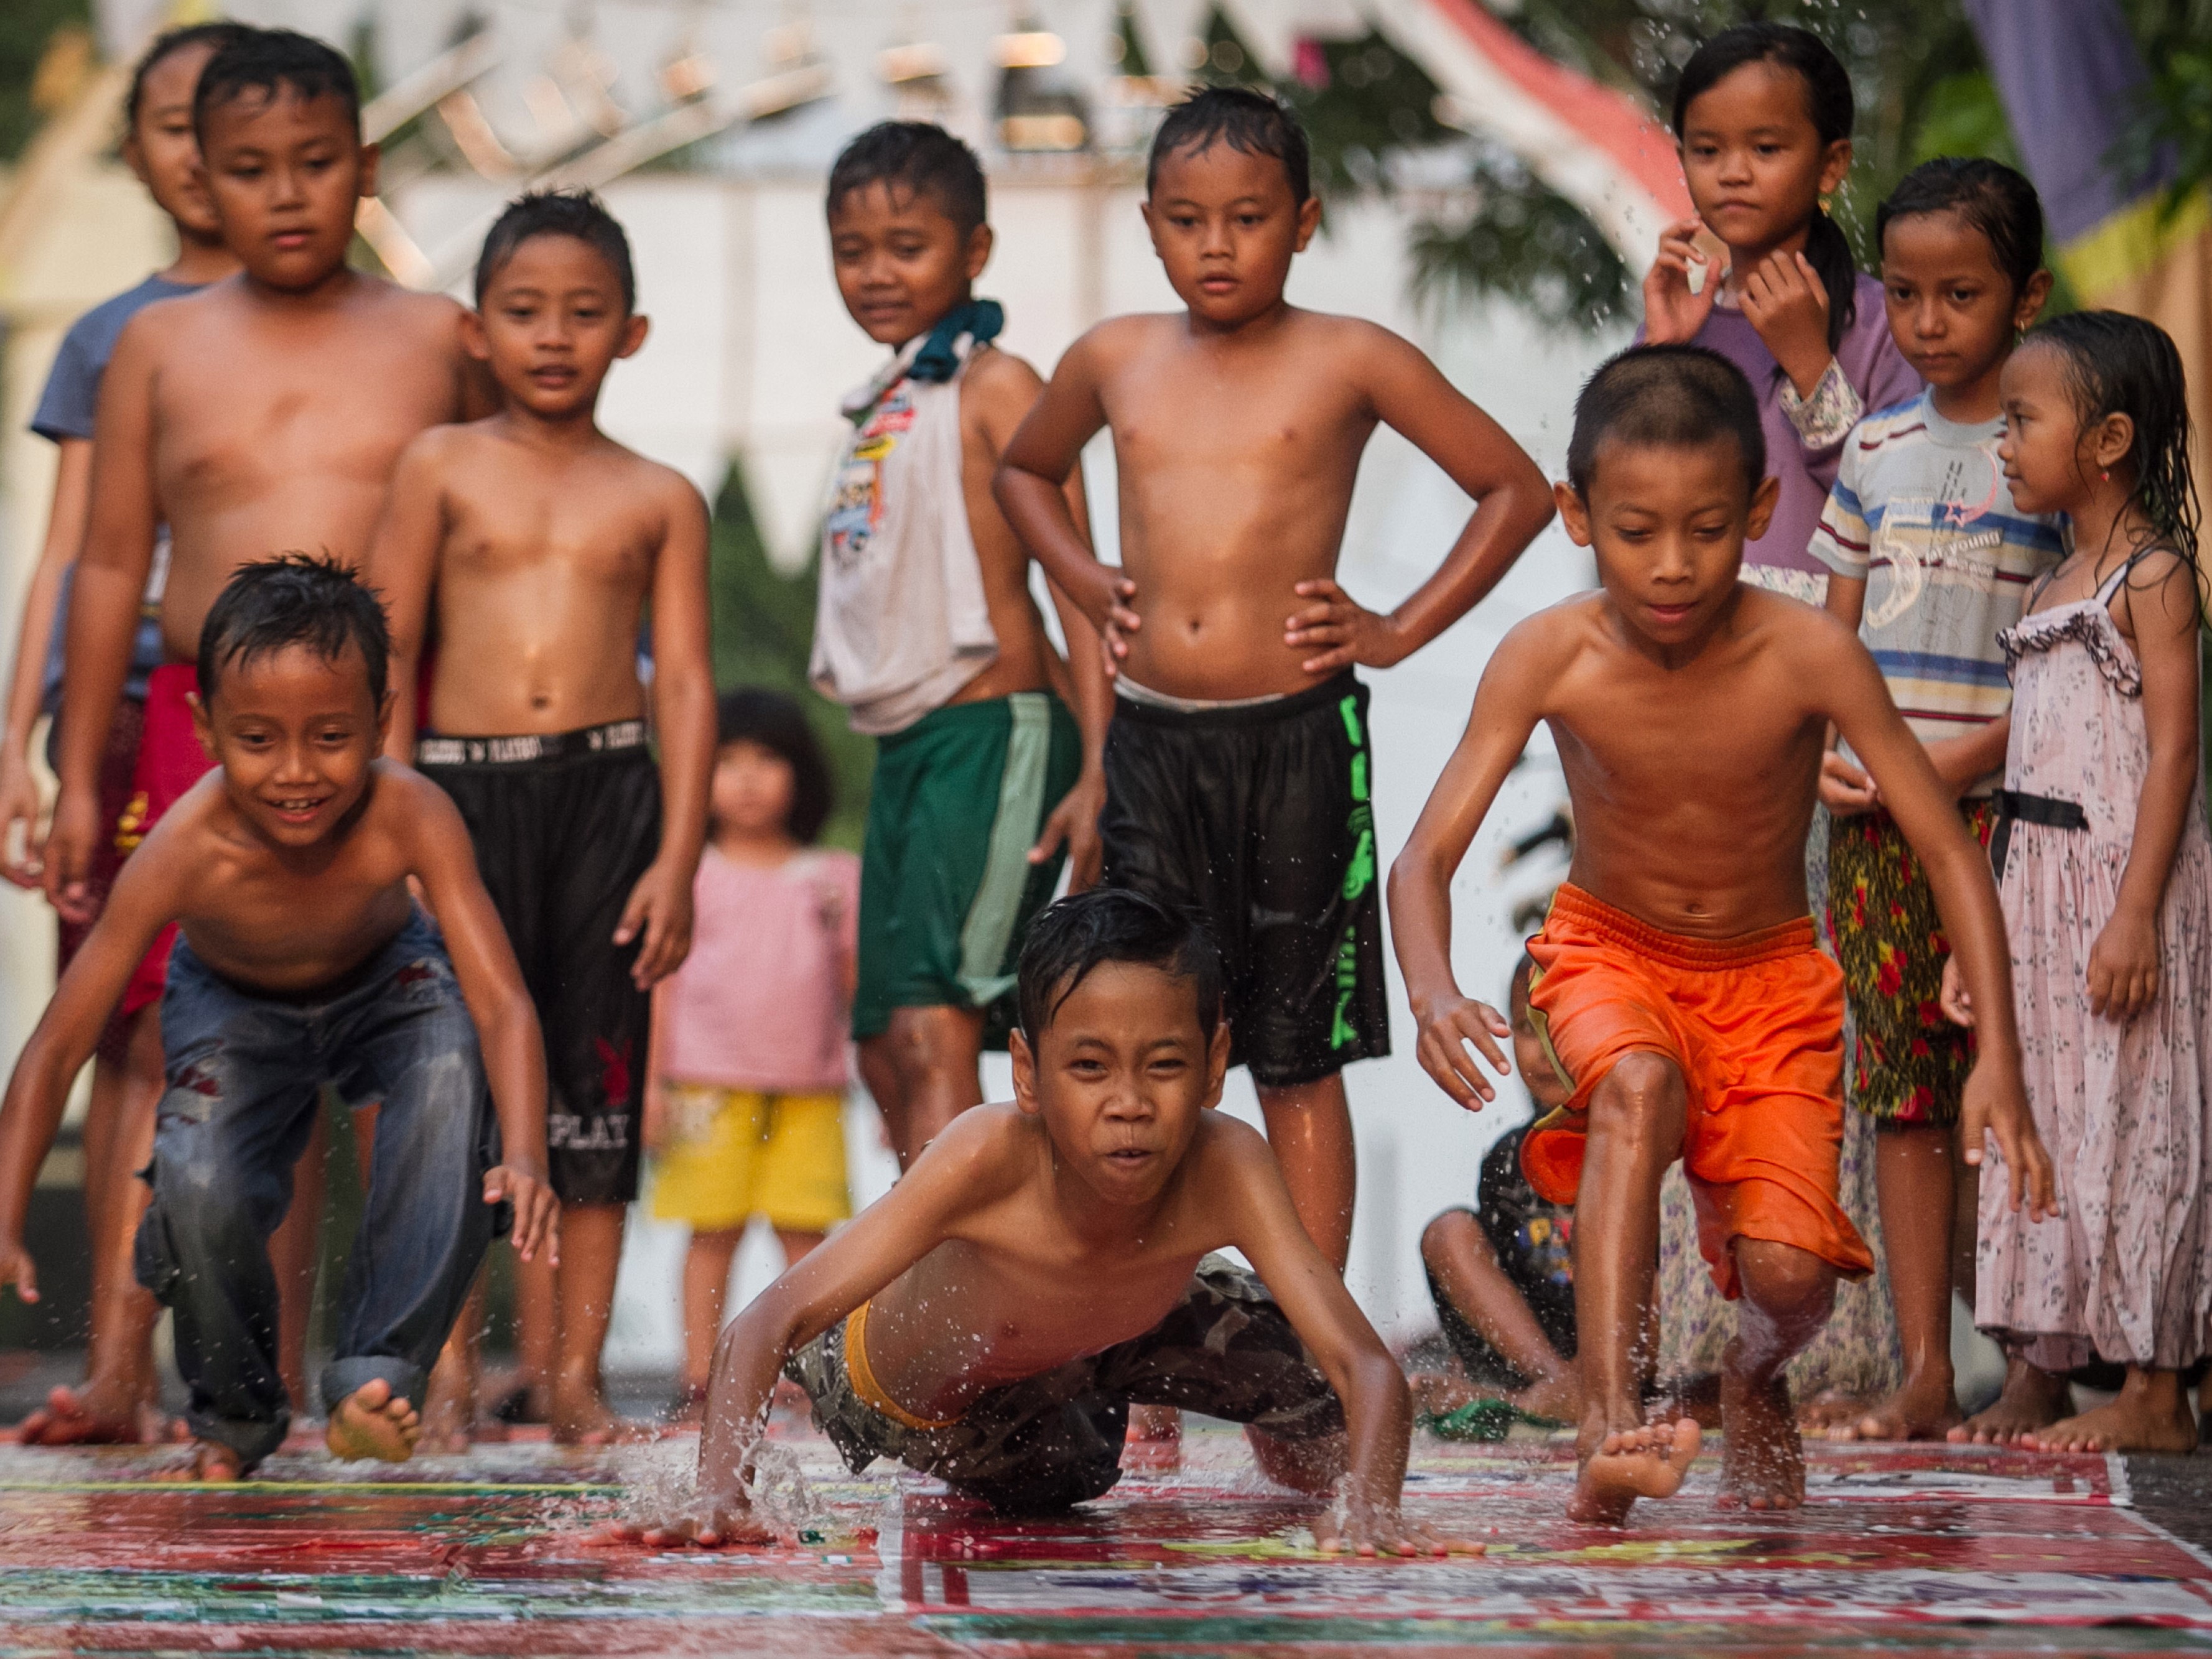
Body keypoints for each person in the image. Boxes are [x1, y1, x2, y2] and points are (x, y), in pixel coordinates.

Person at [1388, 343, 2053, 1524]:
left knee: (1792, 1279)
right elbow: (1425, 857)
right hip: (1610, 953)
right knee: (1635, 1088)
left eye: (1706, 528)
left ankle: (1747, 1370)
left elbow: (1946, 845)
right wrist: (1436, 991)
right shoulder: (1550, 653)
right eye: (1636, 531)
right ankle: (1608, 1418)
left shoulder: (1810, 653)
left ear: (1758, 510)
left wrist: (1994, 1052)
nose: (1673, 565)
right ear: (1577, 514)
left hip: (1772, 984)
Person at [995, 86, 1553, 1281]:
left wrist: (1398, 626)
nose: (1215, 244)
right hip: (1154, 740)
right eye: (1188, 220)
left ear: (1302, 222)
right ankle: (1138, 1325)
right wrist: (1084, 576)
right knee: (1146, 1040)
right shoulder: (1114, 357)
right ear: (1150, 224)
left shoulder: (1350, 357)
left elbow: (1516, 490)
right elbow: (1025, 472)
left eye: (1246, 218)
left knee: (1298, 1053)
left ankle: (1307, 1336)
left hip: (1298, 740)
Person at [625, 887, 1475, 1557]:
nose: (1131, 1104)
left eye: (1166, 1065)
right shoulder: (986, 1152)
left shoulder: (1227, 1160)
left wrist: (1371, 1502)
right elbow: (766, 1320)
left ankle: (1154, 1384)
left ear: (1216, 1064)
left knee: (1321, 1419)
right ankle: (1098, 1396)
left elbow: (1365, 1363)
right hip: (946, 1400)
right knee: (1073, 1473)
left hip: (1120, 1323)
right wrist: (719, 1491)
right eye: (1090, 1067)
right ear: (1028, 1072)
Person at [0, 557, 558, 1481]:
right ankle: (235, 1410)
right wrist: (8, 1204)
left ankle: (377, 1379)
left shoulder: (412, 811)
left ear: (382, 720)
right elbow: (59, 1042)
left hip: (391, 985)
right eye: (258, 738)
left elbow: (500, 997)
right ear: (206, 728)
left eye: (331, 735)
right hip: (232, 1006)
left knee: (452, 1075)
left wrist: (528, 1151)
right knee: (197, 1172)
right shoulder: (181, 848)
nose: (297, 772)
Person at [372, 189, 714, 1446]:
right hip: (457, 796)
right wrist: (396, 821)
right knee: (450, 1082)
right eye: (524, 312)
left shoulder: (661, 495)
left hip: (608, 795)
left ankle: (568, 1376)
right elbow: (390, 649)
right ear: (476, 329)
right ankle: (447, 1369)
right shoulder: (438, 466)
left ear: (631, 331)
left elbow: (680, 680)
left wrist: (676, 857)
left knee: (594, 1096)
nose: (553, 336)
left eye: (584, 313)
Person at [0, 20, 251, 1448]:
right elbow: (71, 559)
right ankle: (115, 1363)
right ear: (149, 150)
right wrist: (26, 745)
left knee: (286, 1042)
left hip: (303, 721)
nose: (199, 149)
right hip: (145, 703)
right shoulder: (113, 335)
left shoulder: (374, 320)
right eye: (170, 120)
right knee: (134, 1033)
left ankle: (251, 1372)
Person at [1808, 159, 2063, 1444]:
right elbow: (1829, 650)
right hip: (1871, 831)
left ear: (2027, 297)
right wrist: (1822, 757)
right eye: (1901, 293)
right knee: (1903, 1088)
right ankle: (1921, 1366)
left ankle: (2033, 1370)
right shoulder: (1871, 449)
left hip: (2005, 819)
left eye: (1956, 293)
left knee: (2017, 1078)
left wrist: (1953, 765)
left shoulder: (2048, 462)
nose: (1923, 321)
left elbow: (2074, 664)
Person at [810, 121, 1109, 1174]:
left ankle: (979, 1311)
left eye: (908, 244)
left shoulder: (998, 381)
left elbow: (1079, 580)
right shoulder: (888, 398)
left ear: (973, 251)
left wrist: (1103, 765)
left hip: (999, 734)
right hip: (909, 750)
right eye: (854, 250)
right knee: (883, 1049)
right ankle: (931, 1283)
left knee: (939, 1031)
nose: (878, 271)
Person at [1945, 313, 2212, 1454]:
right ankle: (2035, 1367)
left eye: (2021, 418)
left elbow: (2175, 752)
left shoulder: (2153, 576)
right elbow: (2019, 765)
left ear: (2105, 439)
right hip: (2034, 889)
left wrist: (2137, 909)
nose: (2002, 440)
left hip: (2120, 888)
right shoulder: (2052, 578)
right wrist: (1981, 939)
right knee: (2035, 1116)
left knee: (2140, 1118)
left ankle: (2156, 1385)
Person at [1640, 21, 1918, 603]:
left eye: (1766, 149)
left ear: (1831, 164)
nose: (1734, 172)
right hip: (1684, 647)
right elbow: (1626, 501)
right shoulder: (1678, 321)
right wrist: (1657, 355)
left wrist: (1811, 364)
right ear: (1682, 157)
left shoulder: (1879, 323)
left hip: (1817, 658)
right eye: (1708, 150)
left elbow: (1902, 512)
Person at [644, 688, 858, 1420]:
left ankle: (808, 1376)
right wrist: (649, 1090)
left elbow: (855, 992)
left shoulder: (833, 879)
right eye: (725, 761)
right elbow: (659, 987)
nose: (745, 777)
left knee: (808, 1235)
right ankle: (701, 1378)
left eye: (766, 759)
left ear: (801, 772)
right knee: (713, 1232)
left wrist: (885, 1099)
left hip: (811, 1089)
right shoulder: (686, 876)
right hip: (704, 1086)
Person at [1413, 954, 1583, 1432]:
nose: (1544, 1050)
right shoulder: (1510, 1160)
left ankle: (1575, 1388)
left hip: (1628, 1354)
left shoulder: (1643, 1145)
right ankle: (1555, 1385)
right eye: (1528, 1030)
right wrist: (1549, 1369)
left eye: (1562, 1027)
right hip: (1538, 1353)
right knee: (1447, 1232)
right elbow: (1492, 1280)